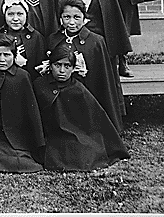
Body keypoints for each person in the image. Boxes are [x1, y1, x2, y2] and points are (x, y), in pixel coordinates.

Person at [33, 43, 130, 171]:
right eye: (57, 65)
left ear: (73, 68)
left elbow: (96, 120)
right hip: (49, 136)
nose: (62, 71)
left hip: (74, 134)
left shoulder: (78, 89)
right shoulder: (39, 85)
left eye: (67, 66)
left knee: (83, 153)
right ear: (50, 66)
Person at [46, 0, 124, 132]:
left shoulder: (96, 41)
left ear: (84, 18)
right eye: (66, 17)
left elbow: (104, 79)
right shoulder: (54, 39)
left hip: (87, 96)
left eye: (76, 17)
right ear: (60, 18)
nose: (71, 22)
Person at [0, 34, 44, 173]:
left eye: (7, 55)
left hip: (16, 135)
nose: (2, 59)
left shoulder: (22, 76)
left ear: (14, 56)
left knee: (21, 157)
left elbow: (31, 112)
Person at [0, 0, 46, 79]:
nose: (15, 19)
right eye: (10, 14)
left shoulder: (36, 37)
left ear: (26, 14)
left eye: (20, 14)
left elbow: (38, 65)